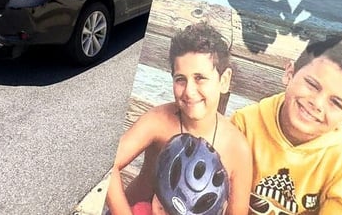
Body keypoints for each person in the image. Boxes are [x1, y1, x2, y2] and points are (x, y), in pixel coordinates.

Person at [105, 22, 252, 215]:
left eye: (200, 78)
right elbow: (109, 164)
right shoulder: (158, 121)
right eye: (180, 79)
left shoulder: (237, 148)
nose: (189, 92)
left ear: (224, 80)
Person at [231, 34, 342, 214]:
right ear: (289, 73)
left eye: (336, 103)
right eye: (312, 85)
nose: (317, 103)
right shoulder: (244, 125)